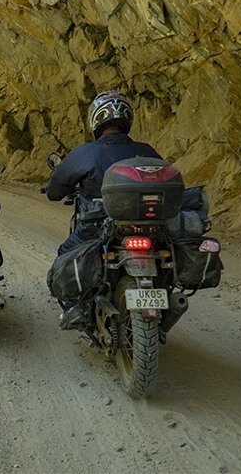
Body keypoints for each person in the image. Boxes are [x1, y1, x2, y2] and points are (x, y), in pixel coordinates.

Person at [46, 90, 162, 326]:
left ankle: (73, 307)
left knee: (66, 253)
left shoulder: (86, 152)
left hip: (99, 226)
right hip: (151, 227)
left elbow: (54, 190)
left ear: (96, 121)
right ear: (127, 119)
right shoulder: (147, 151)